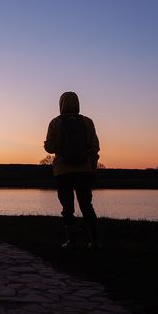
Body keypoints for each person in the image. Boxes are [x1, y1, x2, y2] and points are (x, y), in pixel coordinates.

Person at [44, 91, 101, 248]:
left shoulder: (55, 122)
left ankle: (71, 241)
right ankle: (94, 241)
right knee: (86, 205)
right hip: (84, 170)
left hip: (63, 172)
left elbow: (49, 147)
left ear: (61, 104)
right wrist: (92, 167)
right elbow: (95, 147)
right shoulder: (87, 122)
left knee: (67, 207)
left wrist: (51, 144)